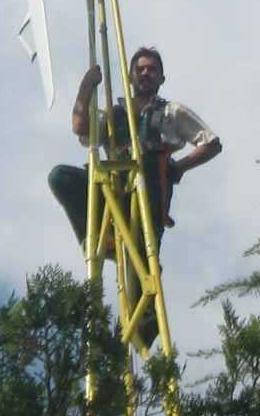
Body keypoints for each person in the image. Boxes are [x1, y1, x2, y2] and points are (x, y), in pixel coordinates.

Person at [48, 45, 222, 263]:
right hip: (113, 192)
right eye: (140, 70)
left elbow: (211, 144)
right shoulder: (114, 114)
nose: (145, 73)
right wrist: (87, 86)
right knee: (61, 177)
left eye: (152, 70)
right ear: (130, 77)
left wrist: (178, 167)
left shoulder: (171, 112)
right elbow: (80, 127)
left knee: (141, 277)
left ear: (161, 78)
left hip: (147, 201)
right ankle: (95, 240)